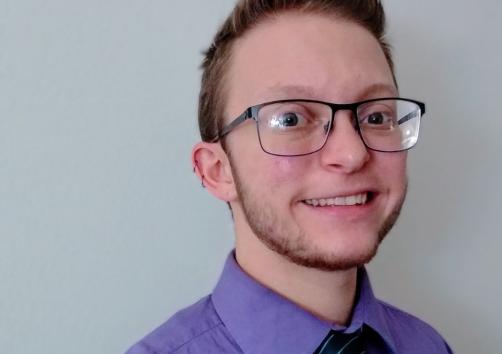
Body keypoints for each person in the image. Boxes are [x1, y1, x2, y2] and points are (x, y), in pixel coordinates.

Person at [127, 0, 452, 353]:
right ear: (217, 171)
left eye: (376, 117)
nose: (351, 154)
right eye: (290, 120)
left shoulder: (428, 345)